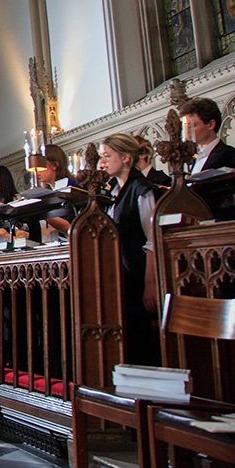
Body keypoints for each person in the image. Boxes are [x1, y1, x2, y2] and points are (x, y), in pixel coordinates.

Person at [97, 133, 160, 366]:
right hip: (120, 275)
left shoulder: (142, 190)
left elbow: (152, 240)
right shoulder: (113, 191)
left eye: (107, 155)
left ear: (125, 157)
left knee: (140, 337)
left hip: (139, 273)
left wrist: (150, 283)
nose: (102, 162)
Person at [178, 97, 235, 219]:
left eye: (192, 126)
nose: (187, 132)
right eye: (185, 127)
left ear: (210, 124)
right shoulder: (192, 159)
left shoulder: (231, 156)